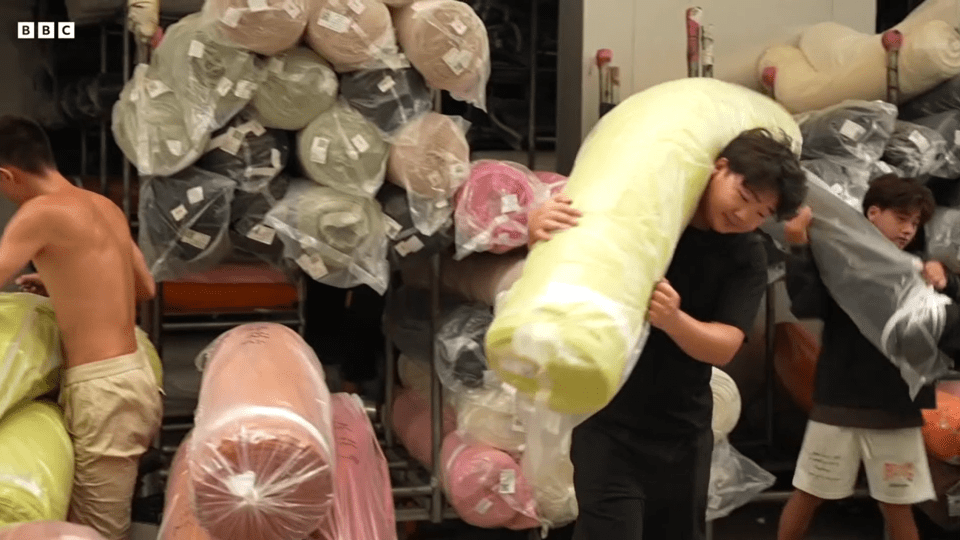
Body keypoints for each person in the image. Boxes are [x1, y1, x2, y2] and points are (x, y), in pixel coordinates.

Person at [529, 127, 808, 540]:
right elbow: (566, 271)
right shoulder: (646, 214)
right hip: (605, 423)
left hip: (682, 434)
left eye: (761, 213)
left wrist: (674, 320)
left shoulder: (745, 255)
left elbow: (725, 344)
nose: (744, 216)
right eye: (744, 197)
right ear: (720, 168)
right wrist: (538, 231)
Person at [0, 115, 163, 540]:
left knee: (96, 533)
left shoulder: (38, 213)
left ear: (6, 174)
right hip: (132, 375)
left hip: (102, 389)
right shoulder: (102, 205)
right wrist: (64, 284)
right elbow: (144, 288)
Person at [777, 174, 960, 540]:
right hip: (840, 402)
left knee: (897, 505)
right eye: (901, 218)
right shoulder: (841, 262)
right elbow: (806, 305)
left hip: (898, 409)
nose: (908, 229)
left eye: (915, 222)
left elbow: (945, 314)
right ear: (873, 213)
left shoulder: (915, 270)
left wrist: (946, 276)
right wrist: (797, 244)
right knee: (809, 495)